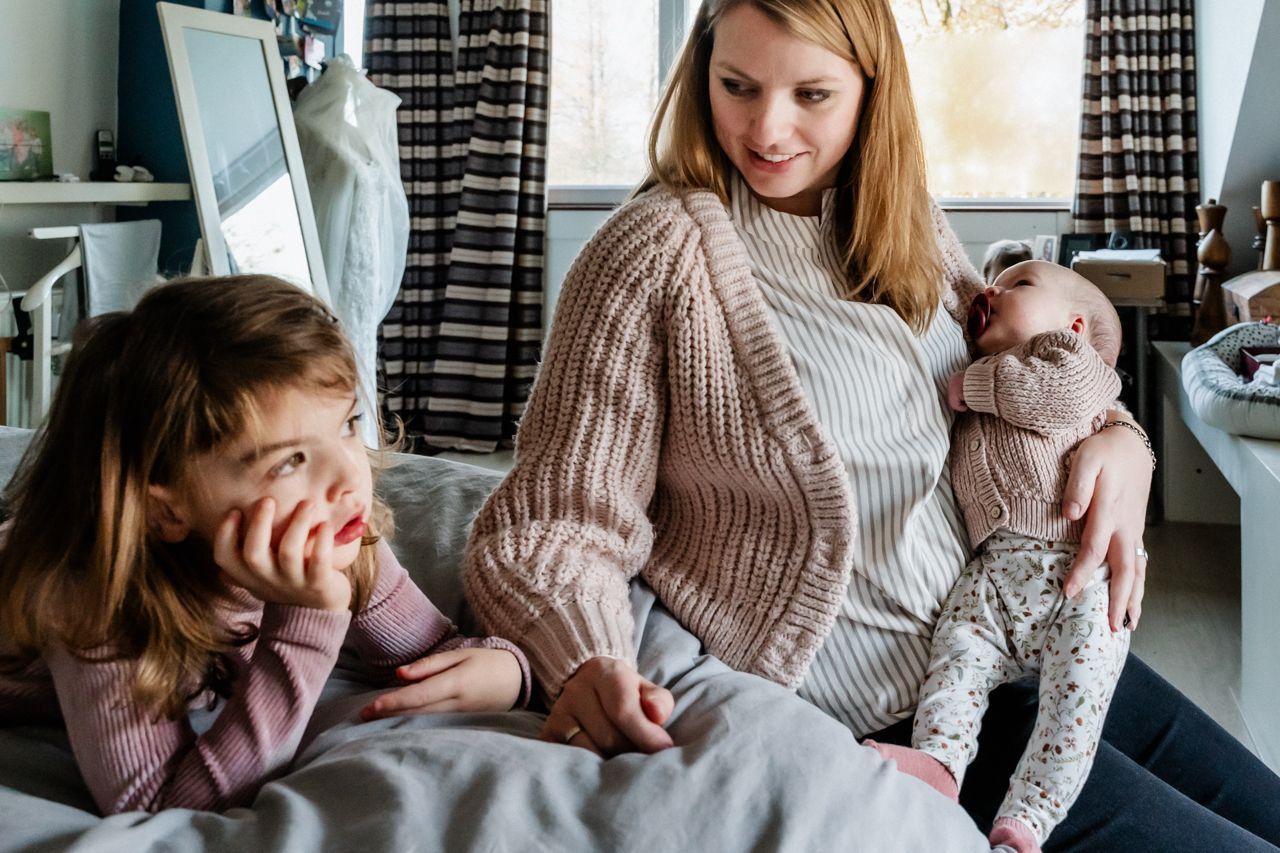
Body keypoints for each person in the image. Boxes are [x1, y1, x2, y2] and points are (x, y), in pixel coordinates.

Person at [454, 0, 1280, 849]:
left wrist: (1123, 438)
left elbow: (1037, 363)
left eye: (811, 94)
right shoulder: (652, 252)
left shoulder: (904, 223)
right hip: (910, 721)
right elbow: (554, 521)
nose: (766, 129)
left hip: (1023, 639)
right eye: (737, 84)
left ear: (871, 92)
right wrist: (588, 656)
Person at [0, 276, 531, 816]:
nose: (348, 480)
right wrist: (306, 626)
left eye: (347, 424)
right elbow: (159, 807)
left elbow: (435, 651)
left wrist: (508, 667)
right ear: (167, 508)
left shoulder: (337, 533)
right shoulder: (97, 596)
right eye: (289, 461)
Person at [868, 261, 1131, 852]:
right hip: (994, 571)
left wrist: (976, 382)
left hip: (1078, 575)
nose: (993, 289)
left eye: (1020, 284)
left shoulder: (1070, 361)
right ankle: (937, 760)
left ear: (1075, 324)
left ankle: (1029, 817)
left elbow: (1057, 396)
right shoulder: (980, 355)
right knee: (957, 654)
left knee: (1075, 706)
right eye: (994, 281)